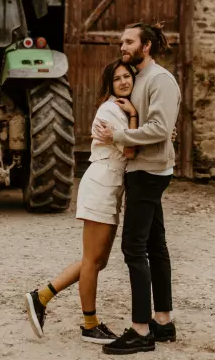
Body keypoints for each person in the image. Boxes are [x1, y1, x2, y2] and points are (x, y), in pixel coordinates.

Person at [24, 59, 140, 344]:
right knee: (92, 260)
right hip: (101, 184)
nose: (124, 82)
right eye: (118, 79)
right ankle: (89, 324)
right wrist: (136, 117)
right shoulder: (111, 109)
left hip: (110, 187)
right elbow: (131, 151)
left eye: (127, 76)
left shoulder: (122, 109)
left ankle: (41, 296)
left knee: (98, 260)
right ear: (109, 85)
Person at [93, 23, 181, 355]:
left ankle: (141, 330)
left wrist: (115, 137)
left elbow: (159, 129)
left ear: (146, 46)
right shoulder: (137, 78)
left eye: (129, 41)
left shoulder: (160, 80)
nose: (122, 45)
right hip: (143, 169)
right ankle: (163, 321)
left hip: (149, 171)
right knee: (156, 246)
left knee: (134, 247)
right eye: (121, 41)